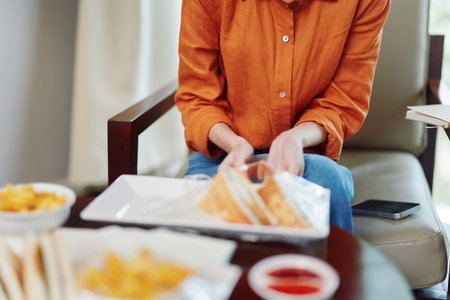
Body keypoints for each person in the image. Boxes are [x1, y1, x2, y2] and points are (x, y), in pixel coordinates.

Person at [174, 0, 390, 232]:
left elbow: (344, 99)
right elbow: (198, 97)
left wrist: (295, 138)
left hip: (303, 156)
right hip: (222, 155)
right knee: (206, 224)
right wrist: (236, 145)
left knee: (328, 181)